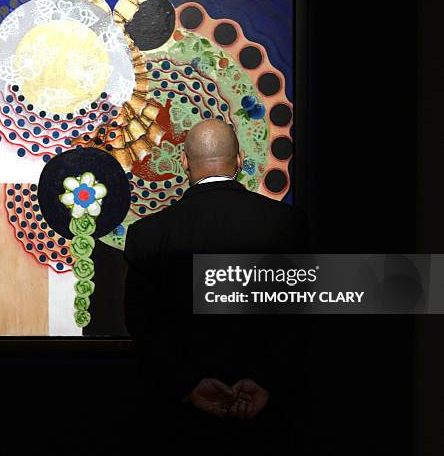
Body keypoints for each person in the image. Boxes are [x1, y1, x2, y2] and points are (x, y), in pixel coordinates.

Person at [124, 119, 311, 454]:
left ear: (184, 162)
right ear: (239, 160)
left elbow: (142, 324)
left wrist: (188, 385)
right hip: (270, 424)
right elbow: (304, 316)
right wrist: (265, 380)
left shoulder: (148, 235)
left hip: (178, 426)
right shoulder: (289, 226)